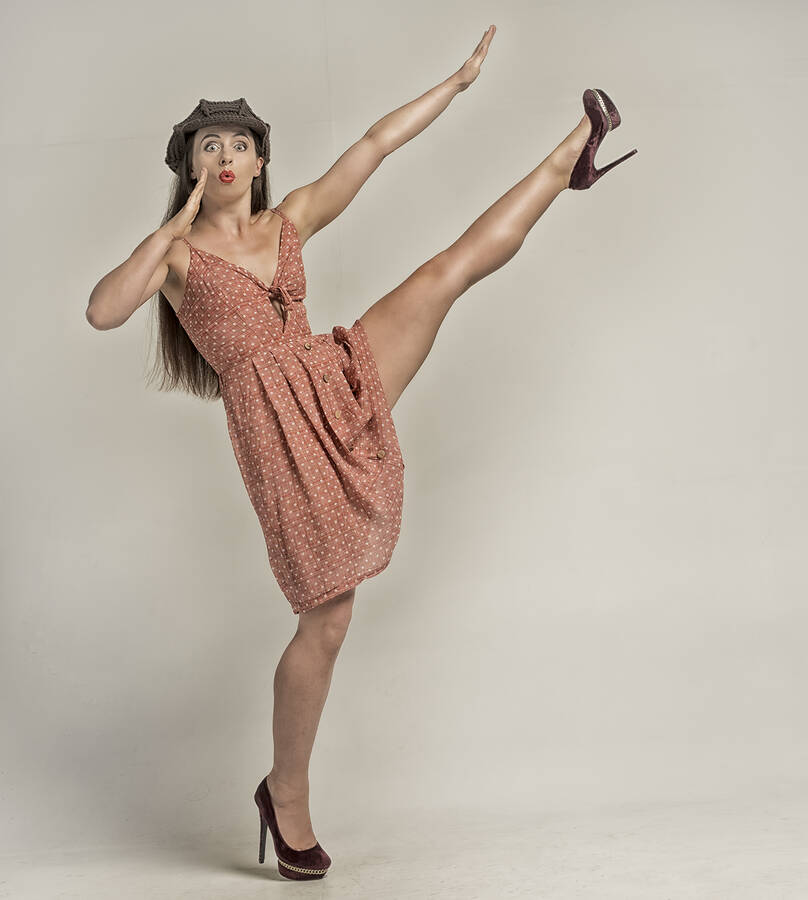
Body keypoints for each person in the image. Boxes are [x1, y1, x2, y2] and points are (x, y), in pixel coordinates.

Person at [86, 24, 637, 881]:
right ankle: (286, 790)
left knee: (446, 272)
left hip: (331, 374)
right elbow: (102, 310)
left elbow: (374, 146)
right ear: (189, 166)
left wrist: (456, 84)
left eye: (238, 143)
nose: (225, 155)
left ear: (260, 161)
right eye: (208, 146)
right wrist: (171, 230)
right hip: (276, 432)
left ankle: (571, 157)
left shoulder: (289, 219)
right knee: (329, 618)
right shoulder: (177, 261)